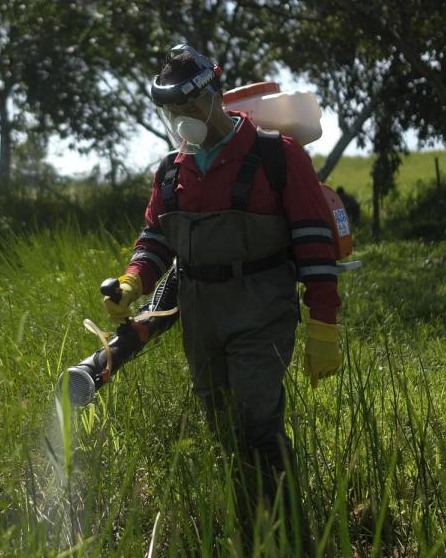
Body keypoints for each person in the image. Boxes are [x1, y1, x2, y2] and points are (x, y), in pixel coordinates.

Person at [101, 44, 342, 551]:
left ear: (215, 96)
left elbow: (315, 241)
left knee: (258, 418)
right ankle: (253, 532)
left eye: (191, 107)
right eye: (173, 112)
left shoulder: (276, 155)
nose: (183, 120)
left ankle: (291, 536)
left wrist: (324, 322)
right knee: (224, 430)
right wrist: (132, 283)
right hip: (200, 314)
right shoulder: (171, 171)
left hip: (261, 305)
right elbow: (156, 239)